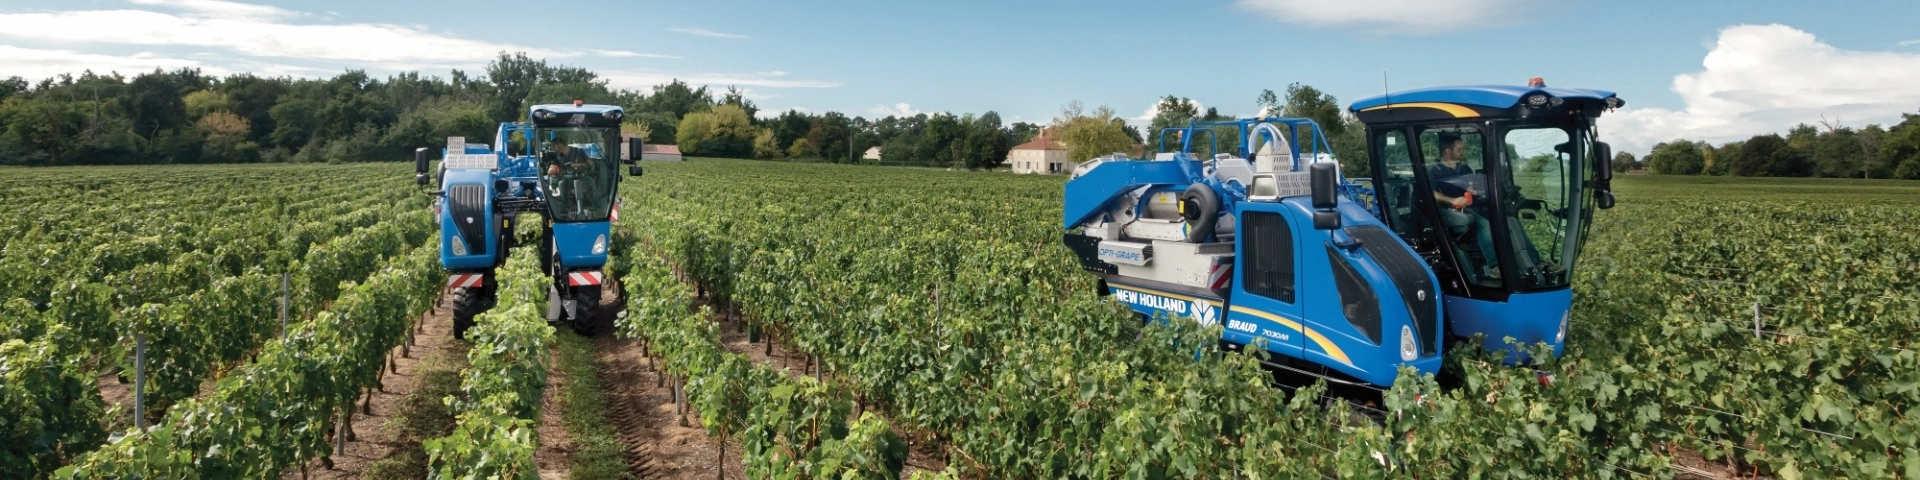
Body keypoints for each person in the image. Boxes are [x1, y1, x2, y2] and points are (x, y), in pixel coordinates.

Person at [1427, 133, 1499, 280]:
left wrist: (1475, 191)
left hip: (1472, 206)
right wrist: (1452, 200)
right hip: (1450, 210)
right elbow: (1431, 193)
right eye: (1459, 150)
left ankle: (1532, 261)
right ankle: (1495, 267)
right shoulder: (1434, 170)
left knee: (1505, 220)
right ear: (1447, 151)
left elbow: (1470, 187)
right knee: (1485, 225)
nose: (1462, 153)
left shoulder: (1465, 168)